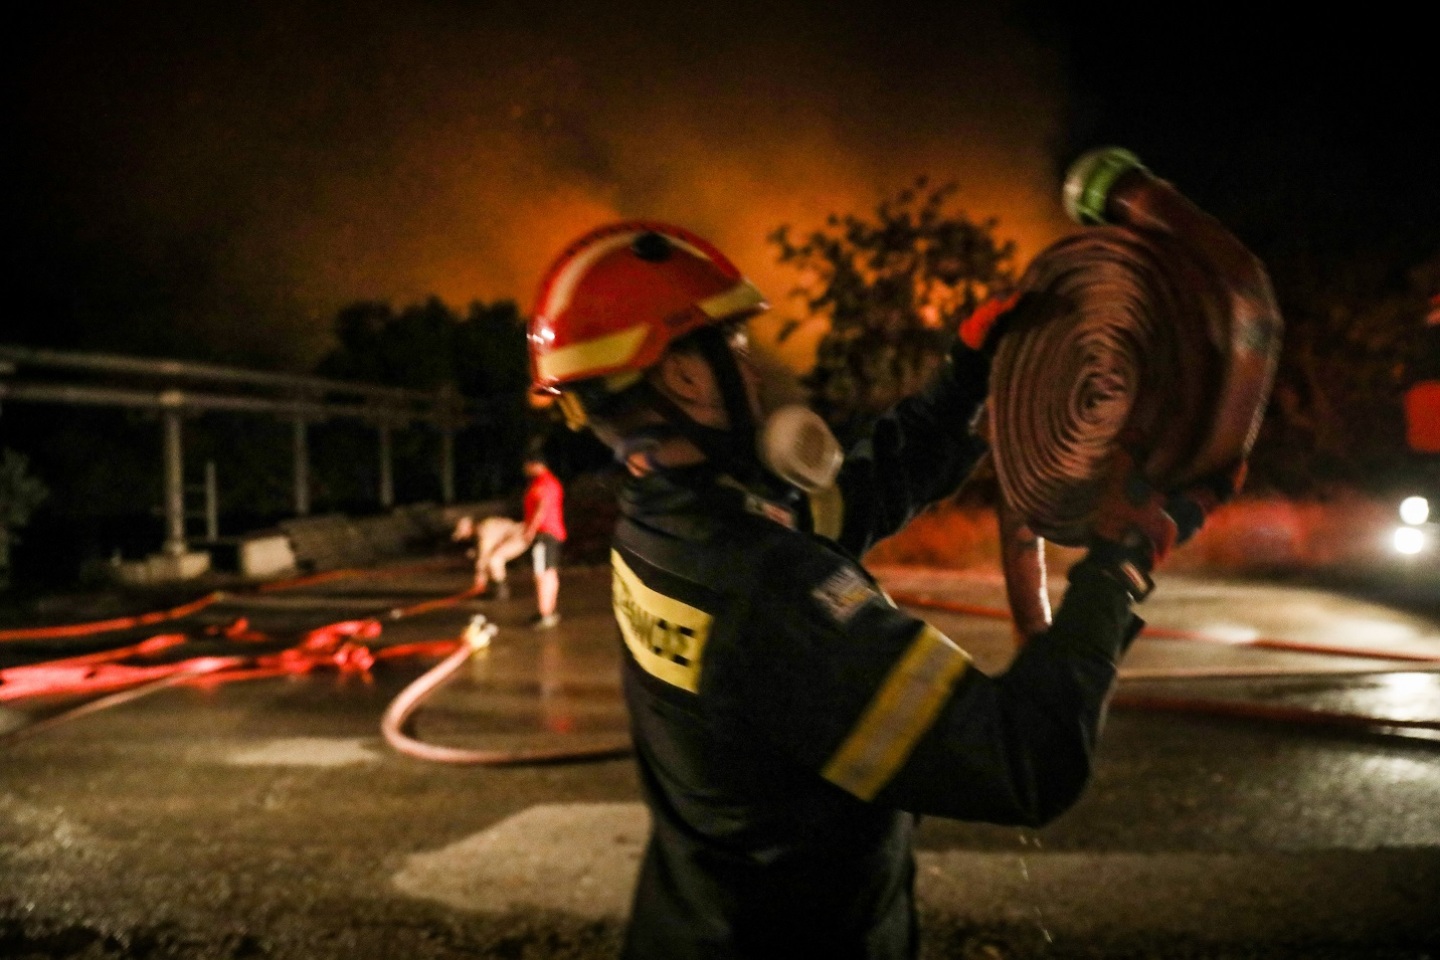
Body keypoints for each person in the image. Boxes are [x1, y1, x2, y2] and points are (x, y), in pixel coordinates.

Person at [527, 221, 1239, 959]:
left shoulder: (663, 528)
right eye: (732, 345)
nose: (751, 369)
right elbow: (1023, 760)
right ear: (681, 375)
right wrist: (1118, 567)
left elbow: (856, 497)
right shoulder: (768, 589)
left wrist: (963, 379)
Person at [521, 448, 567, 629]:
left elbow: (542, 507)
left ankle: (544, 613)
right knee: (550, 573)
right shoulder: (549, 482)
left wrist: (530, 530)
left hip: (544, 534)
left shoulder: (543, 483)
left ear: (534, 465)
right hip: (552, 534)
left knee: (542, 574)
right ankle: (548, 611)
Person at [451, 514, 529, 599]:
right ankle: (493, 586)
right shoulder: (482, 528)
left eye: (463, 533)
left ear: (468, 528)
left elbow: (484, 554)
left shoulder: (484, 529)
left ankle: (501, 591)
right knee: (488, 557)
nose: (465, 537)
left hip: (520, 537)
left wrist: (480, 576)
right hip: (512, 538)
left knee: (494, 559)